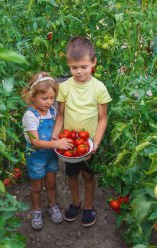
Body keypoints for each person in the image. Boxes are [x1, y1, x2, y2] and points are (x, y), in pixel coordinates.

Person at [52, 37, 112, 227]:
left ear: (93, 62)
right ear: (69, 65)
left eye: (84, 67)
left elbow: (103, 118)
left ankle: (88, 205)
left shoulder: (99, 88)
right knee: (71, 175)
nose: (79, 72)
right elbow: (60, 114)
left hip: (89, 143)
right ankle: (75, 202)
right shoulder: (65, 87)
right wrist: (55, 136)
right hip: (70, 143)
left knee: (88, 175)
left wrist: (97, 142)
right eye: (74, 67)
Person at [22, 72, 74, 230]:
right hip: (36, 157)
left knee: (51, 184)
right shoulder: (30, 116)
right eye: (44, 99)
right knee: (37, 187)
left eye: (52, 98)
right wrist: (57, 143)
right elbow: (36, 142)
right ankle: (37, 211)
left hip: (51, 156)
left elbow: (58, 127)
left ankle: (53, 206)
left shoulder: (52, 111)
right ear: (33, 97)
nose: (49, 102)